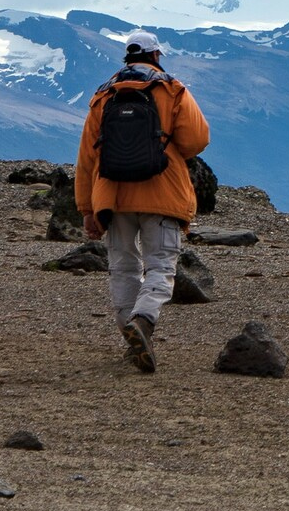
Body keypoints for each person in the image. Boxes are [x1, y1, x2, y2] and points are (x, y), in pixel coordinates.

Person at [75, 30, 210, 373]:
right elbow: (196, 140)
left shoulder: (103, 95)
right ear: (156, 56)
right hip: (161, 191)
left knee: (123, 267)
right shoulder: (171, 89)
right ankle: (144, 321)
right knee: (161, 267)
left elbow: (87, 158)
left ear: (127, 56)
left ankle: (130, 336)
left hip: (113, 195)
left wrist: (87, 209)